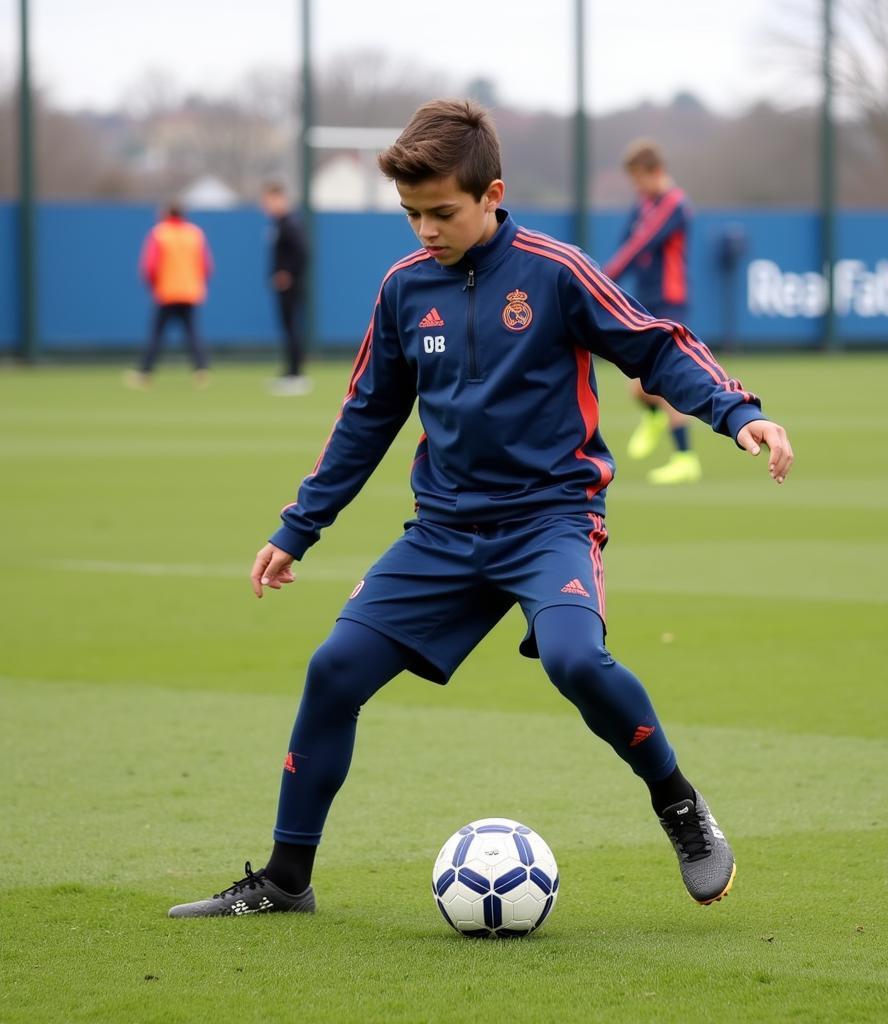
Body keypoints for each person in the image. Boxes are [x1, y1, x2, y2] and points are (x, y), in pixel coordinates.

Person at [167, 100, 793, 919]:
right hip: (444, 533)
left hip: (549, 522)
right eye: (411, 214)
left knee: (575, 660)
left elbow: (655, 342)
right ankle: (287, 879)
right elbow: (365, 417)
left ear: (492, 193)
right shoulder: (403, 290)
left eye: (442, 212)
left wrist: (737, 412)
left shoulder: (555, 270)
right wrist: (298, 530)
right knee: (333, 672)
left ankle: (677, 802)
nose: (425, 229)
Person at [604, 140, 699, 484]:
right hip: (645, 300)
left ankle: (686, 458)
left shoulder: (676, 205)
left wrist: (603, 279)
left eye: (640, 180)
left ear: (656, 172)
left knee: (668, 378)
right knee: (639, 387)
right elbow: (626, 238)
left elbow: (640, 244)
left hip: (669, 301)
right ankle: (655, 417)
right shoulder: (643, 202)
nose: (637, 188)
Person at [126, 203, 213, 390]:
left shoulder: (159, 233)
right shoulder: (194, 234)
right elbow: (206, 265)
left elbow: (149, 266)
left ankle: (145, 373)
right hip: (190, 291)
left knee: (157, 335)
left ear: (166, 213)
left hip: (166, 292)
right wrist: (198, 283)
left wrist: (153, 286)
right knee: (192, 334)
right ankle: (201, 371)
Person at [261, 183, 311, 396]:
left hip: (291, 286)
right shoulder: (279, 224)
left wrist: (288, 274)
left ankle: (296, 374)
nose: (267, 205)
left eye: (270, 200)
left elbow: (303, 252)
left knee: (292, 328)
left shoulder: (290, 223)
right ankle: (290, 371)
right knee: (288, 328)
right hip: (283, 286)